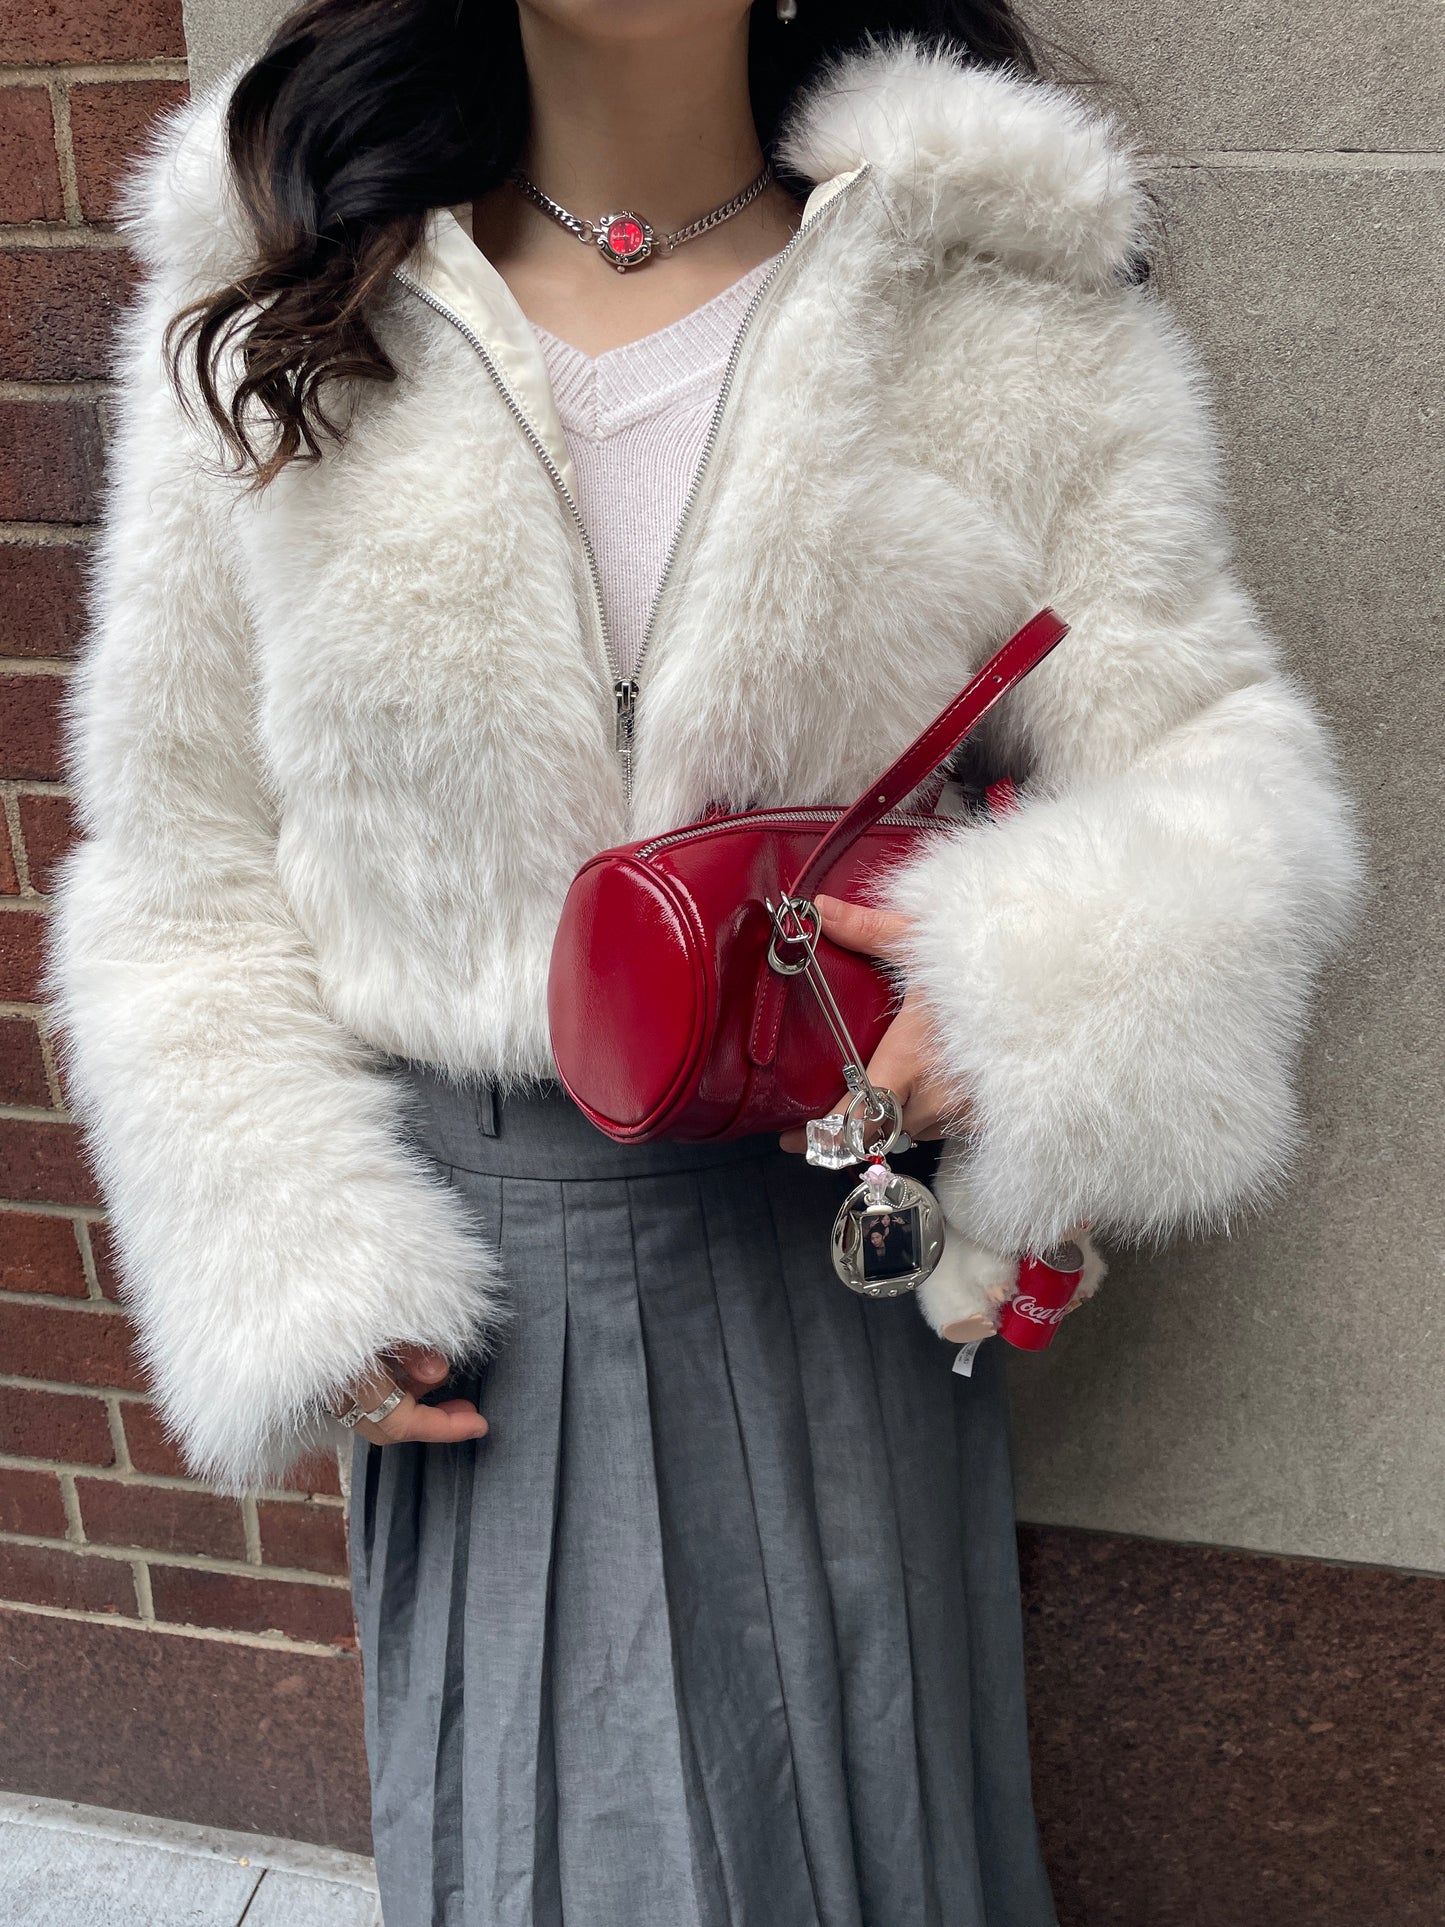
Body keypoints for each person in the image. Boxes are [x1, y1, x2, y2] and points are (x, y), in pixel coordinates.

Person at [47, 2, 1360, 1922]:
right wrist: (278, 1251)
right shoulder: (289, 301)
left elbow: (1208, 750)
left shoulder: (984, 287)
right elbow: (178, 850)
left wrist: (1032, 997)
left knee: (859, 1840)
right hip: (474, 1281)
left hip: (830, 1244)